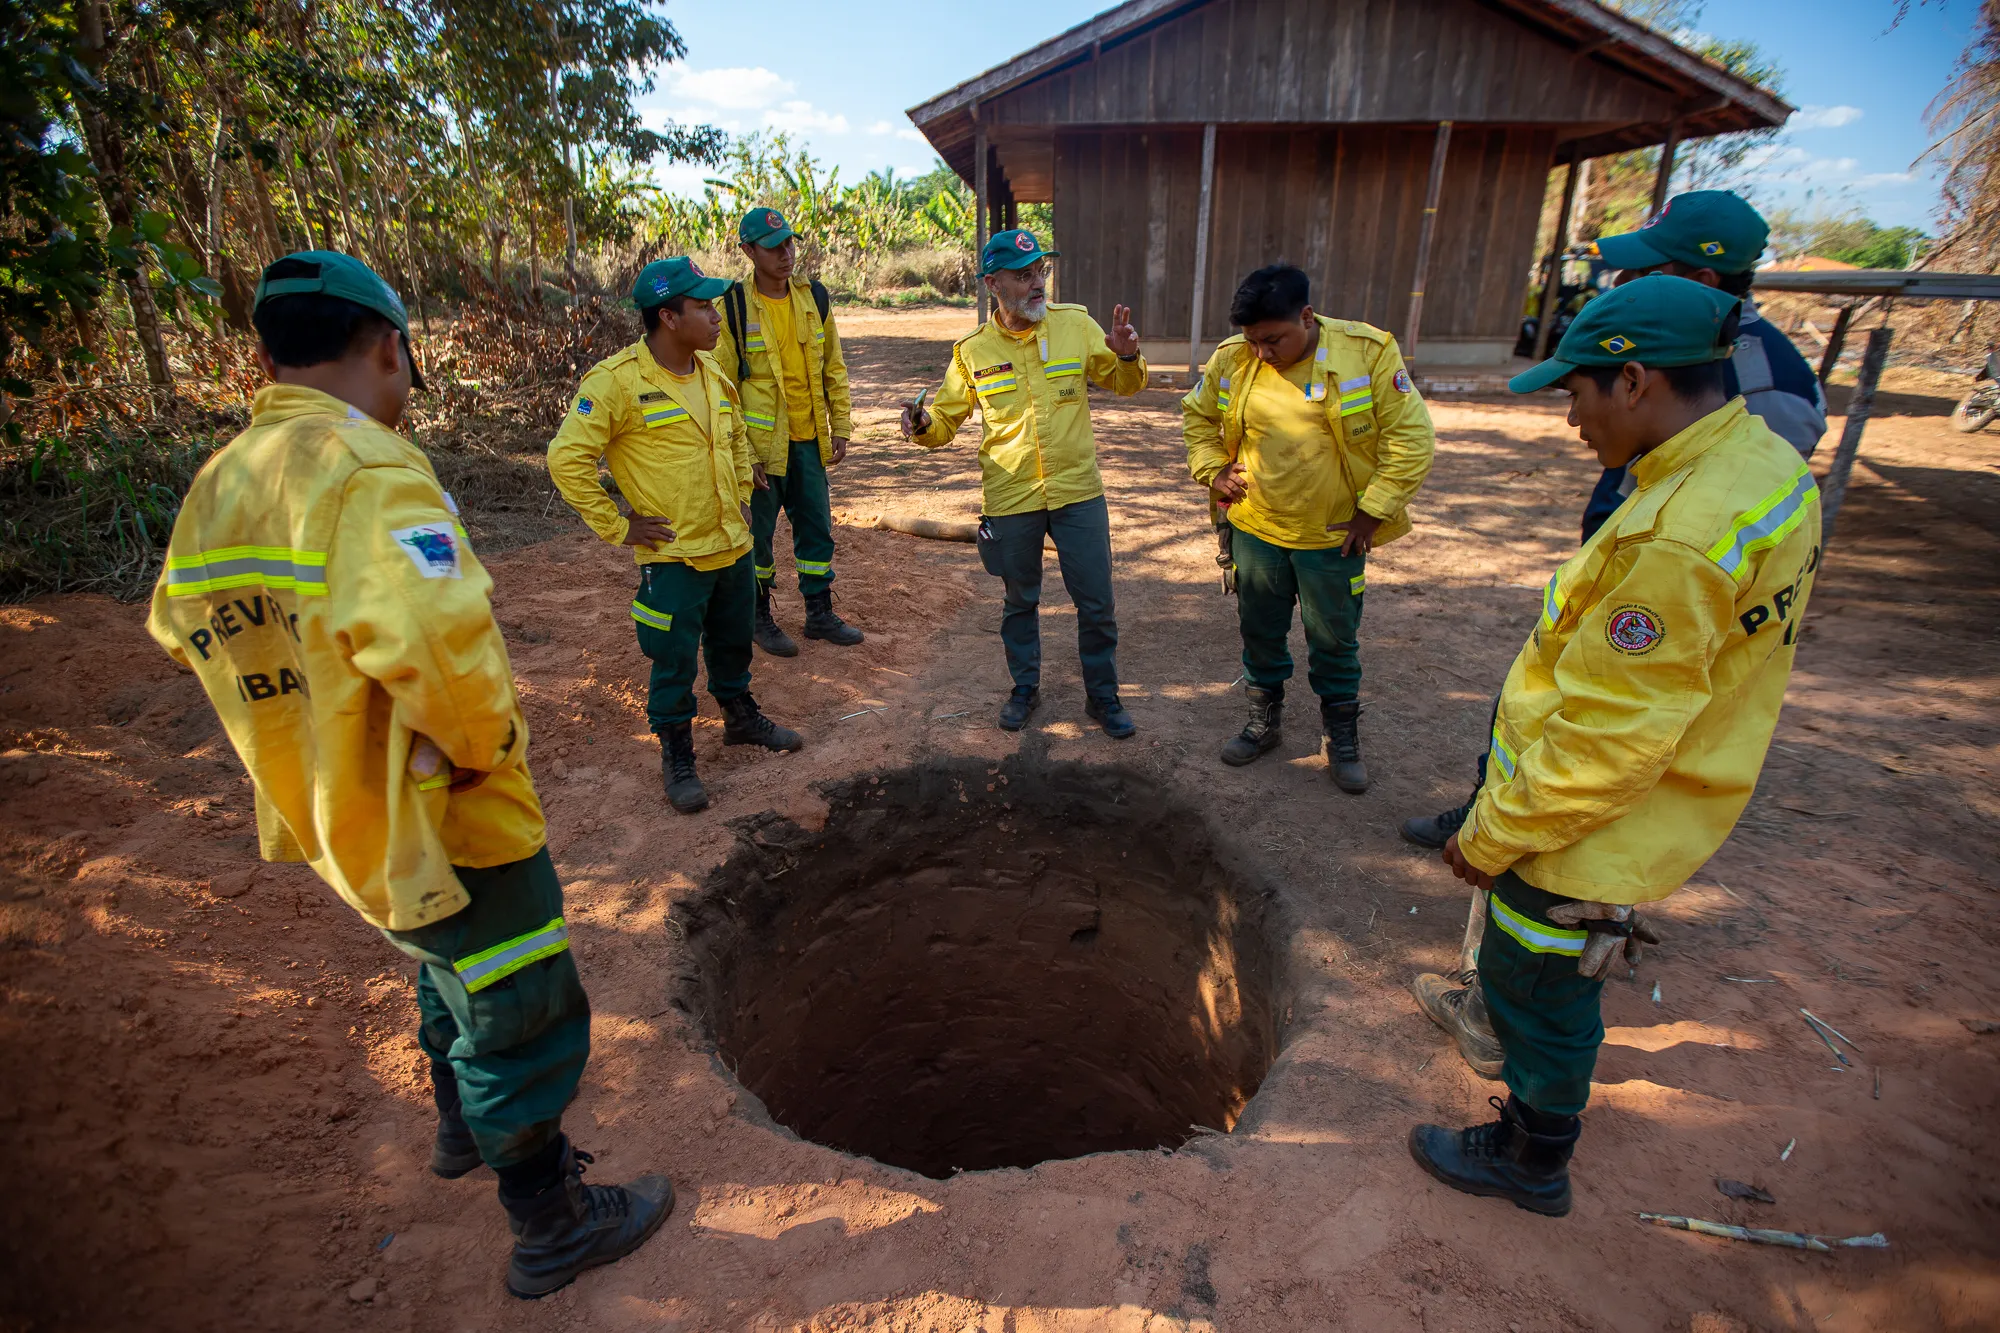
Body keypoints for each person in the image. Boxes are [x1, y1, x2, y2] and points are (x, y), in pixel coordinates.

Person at [146, 252, 673, 1298]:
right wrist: (480, 750)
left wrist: (300, 723)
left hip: (336, 805)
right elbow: (437, 646)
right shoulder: (369, 468)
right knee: (517, 987)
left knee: (445, 962)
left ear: (264, 355)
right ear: (391, 344)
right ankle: (551, 1222)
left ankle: (456, 1130)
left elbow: (177, 626)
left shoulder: (222, 483)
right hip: (448, 803)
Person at [1405, 275, 1822, 1216]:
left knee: (1539, 986)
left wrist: (1491, 833)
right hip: (1652, 802)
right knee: (1551, 979)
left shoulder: (1677, 536)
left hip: (1583, 829)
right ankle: (1535, 1134)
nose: (1571, 421)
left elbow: (1605, 738)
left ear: (1633, 382)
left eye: (1576, 393)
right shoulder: (1762, 466)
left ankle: (1531, 1156)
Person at [548, 257, 802, 815]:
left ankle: (740, 719)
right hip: (674, 556)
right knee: (674, 658)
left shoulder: (712, 374)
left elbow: (733, 434)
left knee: (733, 641)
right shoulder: (616, 383)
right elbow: (567, 459)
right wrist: (618, 525)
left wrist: (743, 478)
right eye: (703, 307)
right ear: (668, 316)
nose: (716, 317)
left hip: (730, 543)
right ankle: (678, 753)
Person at [1183, 264, 1435, 791]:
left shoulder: (1367, 353)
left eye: (1273, 340)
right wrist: (1213, 468)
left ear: (1306, 315)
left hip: (1333, 536)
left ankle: (1339, 737)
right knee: (1260, 631)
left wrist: (1375, 509)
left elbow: (1411, 439)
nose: (1263, 354)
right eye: (1254, 342)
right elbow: (1197, 416)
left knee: (1334, 639)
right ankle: (1262, 722)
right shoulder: (1233, 357)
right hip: (1256, 528)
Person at [898, 228, 1148, 736]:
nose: (1037, 284)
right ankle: (1024, 689)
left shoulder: (1076, 325)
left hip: (1078, 492)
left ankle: (1103, 698)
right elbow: (946, 419)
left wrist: (1125, 356)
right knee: (1020, 601)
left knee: (1097, 602)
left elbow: (1126, 385)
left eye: (1040, 272)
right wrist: (923, 426)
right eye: (1022, 276)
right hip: (1012, 497)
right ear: (994, 284)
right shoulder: (972, 351)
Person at [715, 206, 863, 656]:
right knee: (757, 536)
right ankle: (759, 617)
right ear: (748, 251)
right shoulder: (734, 306)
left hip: (809, 442)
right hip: (761, 450)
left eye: (789, 243)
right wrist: (745, 456)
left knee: (817, 529)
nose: (785, 253)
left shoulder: (814, 297)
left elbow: (832, 366)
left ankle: (818, 614)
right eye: (773, 246)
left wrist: (840, 424)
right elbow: (723, 388)